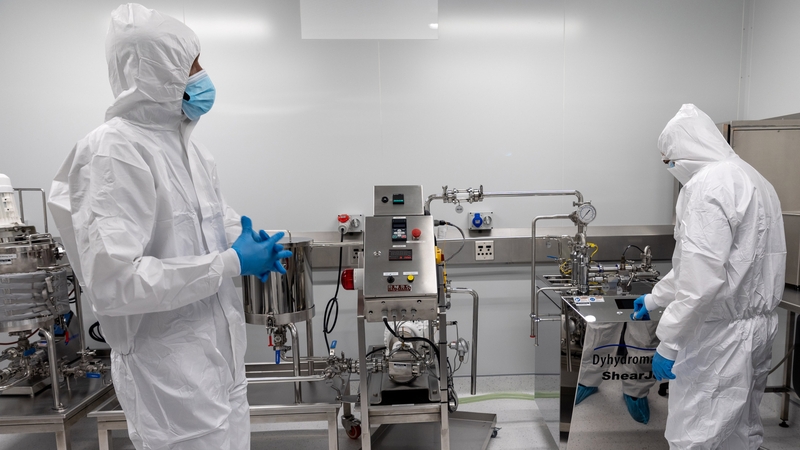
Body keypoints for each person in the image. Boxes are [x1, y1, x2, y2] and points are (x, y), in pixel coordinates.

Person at [48, 4, 290, 449]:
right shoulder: (113, 152)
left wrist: (244, 240)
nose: (202, 75)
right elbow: (115, 283)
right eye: (191, 65)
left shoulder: (191, 150)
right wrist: (229, 263)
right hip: (168, 376)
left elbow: (207, 220)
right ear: (154, 72)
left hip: (221, 360)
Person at [631, 104, 786, 449]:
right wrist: (656, 298)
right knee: (742, 430)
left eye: (669, 159)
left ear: (686, 151)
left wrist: (669, 342)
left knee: (696, 433)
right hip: (756, 328)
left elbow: (701, 281)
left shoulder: (707, 186)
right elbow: (708, 264)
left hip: (720, 337)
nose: (670, 167)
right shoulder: (754, 179)